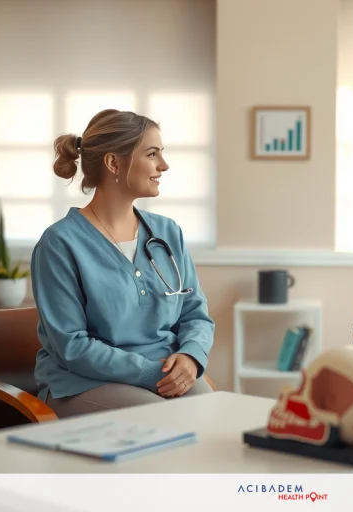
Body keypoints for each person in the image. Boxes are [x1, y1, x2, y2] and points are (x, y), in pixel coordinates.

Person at [31, 108, 215, 418]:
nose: (164, 165)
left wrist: (190, 356)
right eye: (152, 154)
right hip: (82, 382)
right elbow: (73, 346)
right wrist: (147, 372)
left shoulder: (167, 232)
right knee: (163, 420)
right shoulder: (59, 244)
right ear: (114, 162)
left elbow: (195, 312)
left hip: (162, 370)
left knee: (211, 414)